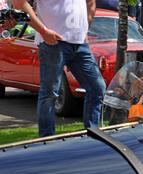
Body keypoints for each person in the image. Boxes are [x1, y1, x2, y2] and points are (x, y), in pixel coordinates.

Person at [12, 0, 106, 137]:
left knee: (97, 88)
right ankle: (47, 138)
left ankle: (93, 134)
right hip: (53, 43)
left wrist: (85, 28)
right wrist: (44, 31)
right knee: (50, 93)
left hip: (79, 43)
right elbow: (19, 3)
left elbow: (90, 2)